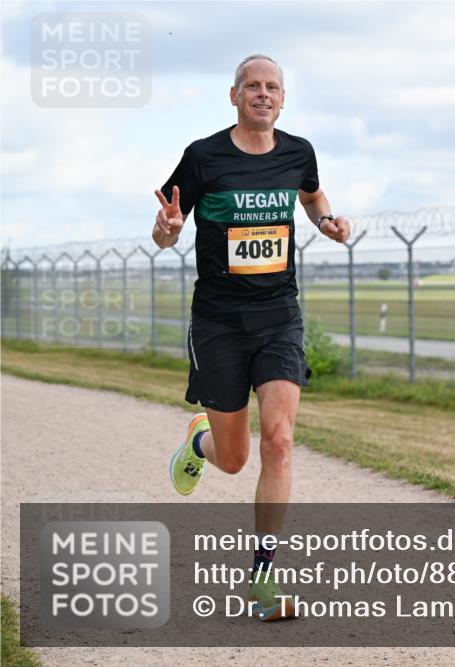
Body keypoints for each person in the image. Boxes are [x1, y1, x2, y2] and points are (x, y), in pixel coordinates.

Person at [153, 54, 350, 621]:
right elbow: (166, 228)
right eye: (253, 86)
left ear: (283, 99)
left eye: (273, 87)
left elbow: (311, 195)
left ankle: (263, 577)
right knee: (235, 459)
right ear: (234, 95)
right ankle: (200, 443)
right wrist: (167, 230)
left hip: (279, 316)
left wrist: (326, 221)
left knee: (279, 441)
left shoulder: (299, 152)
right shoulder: (203, 156)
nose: (263, 94)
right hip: (218, 322)